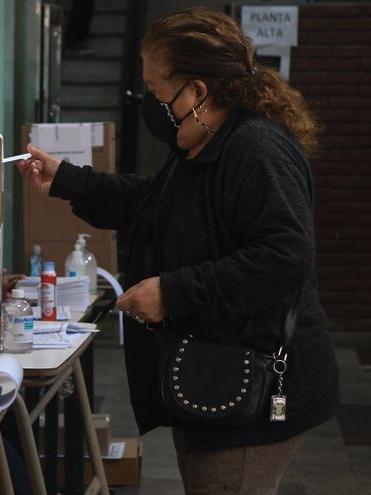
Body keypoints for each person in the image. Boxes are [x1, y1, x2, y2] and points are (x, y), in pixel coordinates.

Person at [19, 8, 338, 493]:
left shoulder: (255, 149)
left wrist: (172, 293)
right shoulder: (206, 143)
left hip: (256, 389)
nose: (150, 102)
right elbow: (153, 202)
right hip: (214, 373)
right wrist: (67, 179)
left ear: (198, 91)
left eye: (156, 90)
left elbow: (285, 257)